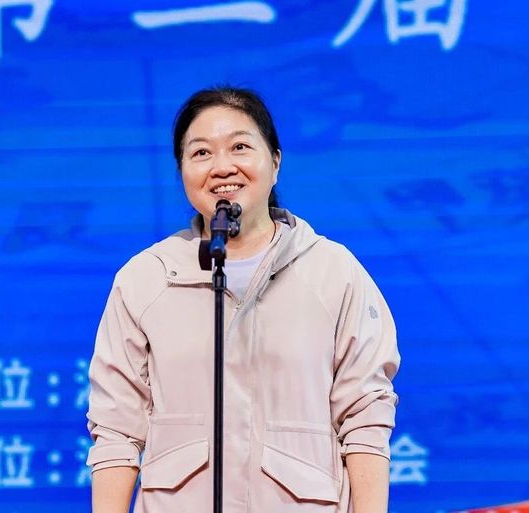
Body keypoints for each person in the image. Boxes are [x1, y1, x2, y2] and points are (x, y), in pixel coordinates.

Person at [86, 86, 400, 513]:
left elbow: (364, 416)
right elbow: (117, 429)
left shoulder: (333, 272)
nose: (221, 167)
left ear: (275, 162)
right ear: (182, 171)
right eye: (201, 153)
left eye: (239, 147)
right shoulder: (145, 278)